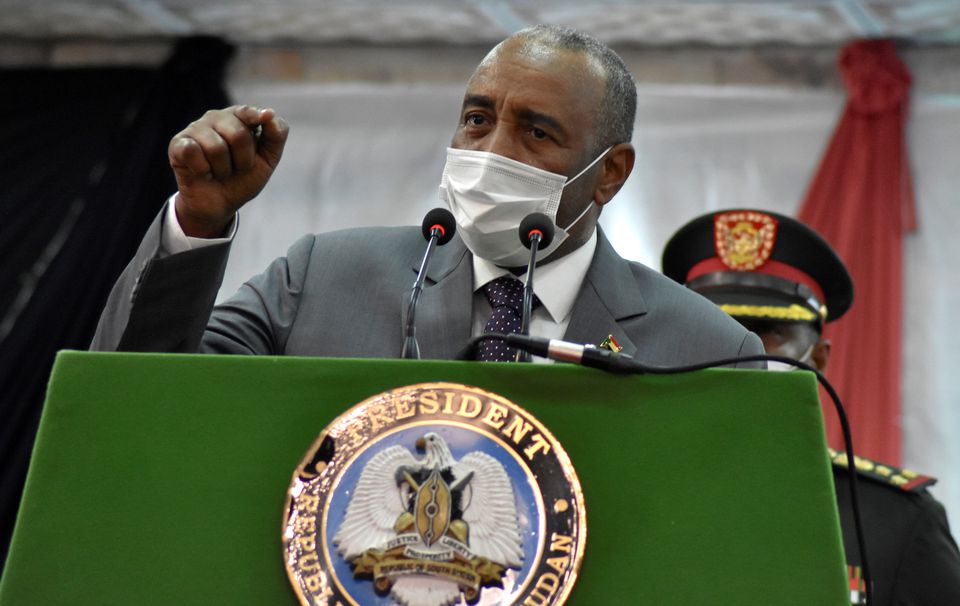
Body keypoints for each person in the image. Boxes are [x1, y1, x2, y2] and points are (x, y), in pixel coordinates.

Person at [91, 25, 760, 366]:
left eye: (536, 132)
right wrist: (199, 224)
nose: (491, 152)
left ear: (610, 174)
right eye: (477, 119)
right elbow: (138, 399)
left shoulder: (705, 348)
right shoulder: (321, 279)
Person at [662, 208, 960, 605]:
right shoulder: (638, 499)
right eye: (715, 325)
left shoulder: (897, 521)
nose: (738, 348)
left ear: (817, 359)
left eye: (767, 333)